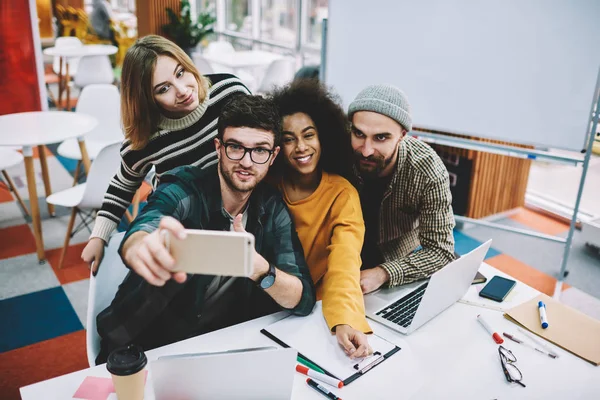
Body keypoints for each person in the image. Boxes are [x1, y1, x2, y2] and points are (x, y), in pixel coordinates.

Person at [96, 95, 316, 363]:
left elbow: (302, 298)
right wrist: (140, 245)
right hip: (141, 347)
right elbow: (150, 221)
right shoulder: (187, 189)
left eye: (260, 150)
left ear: (273, 156)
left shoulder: (271, 209)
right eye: (235, 147)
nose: (247, 162)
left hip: (215, 351)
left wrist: (257, 267)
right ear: (218, 148)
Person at [81, 35, 250, 274]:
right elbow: (122, 185)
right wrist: (98, 237)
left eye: (180, 73)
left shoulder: (230, 93)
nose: (182, 91)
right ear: (147, 99)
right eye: (163, 89)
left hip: (241, 216)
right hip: (183, 227)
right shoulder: (144, 140)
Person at [268, 79, 371, 359]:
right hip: (268, 307)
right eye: (288, 139)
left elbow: (346, 260)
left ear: (323, 136)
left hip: (318, 310)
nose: (300, 147)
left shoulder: (342, 193)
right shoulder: (267, 186)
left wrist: (345, 320)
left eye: (309, 135)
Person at [347, 84, 456, 294]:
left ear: (402, 135)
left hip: (393, 262)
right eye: (359, 134)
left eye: (381, 137)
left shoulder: (427, 170)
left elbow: (441, 251)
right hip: (337, 258)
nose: (367, 151)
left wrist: (383, 273)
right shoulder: (338, 149)